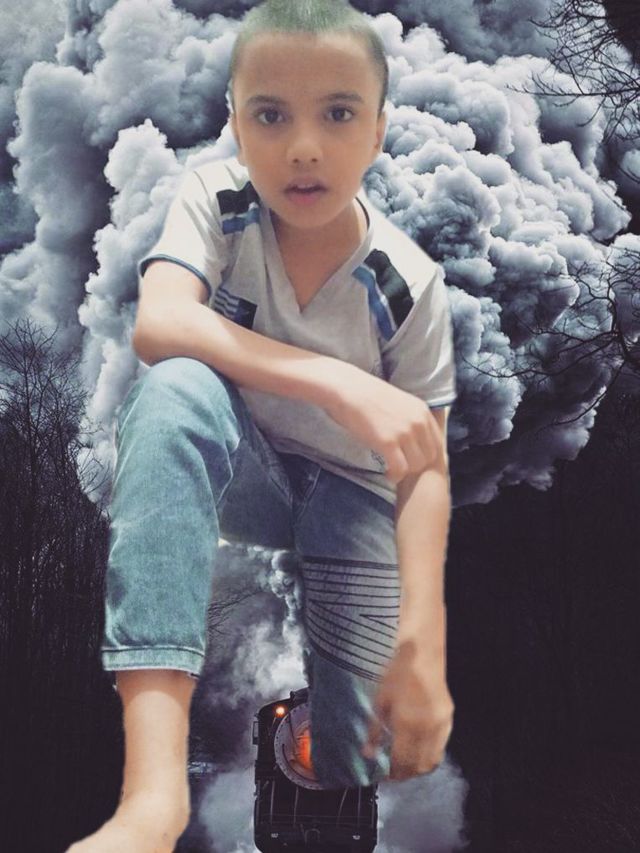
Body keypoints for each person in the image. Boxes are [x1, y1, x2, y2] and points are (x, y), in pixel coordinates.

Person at [67, 1, 457, 850]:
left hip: (356, 496)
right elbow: (162, 321)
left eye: (338, 113)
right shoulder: (215, 198)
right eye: (271, 116)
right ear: (236, 125)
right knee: (172, 389)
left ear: (379, 129)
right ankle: (151, 795)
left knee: (354, 749)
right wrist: (334, 381)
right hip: (245, 459)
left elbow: (426, 470)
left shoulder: (410, 286)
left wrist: (424, 642)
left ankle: (329, 764)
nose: (304, 147)